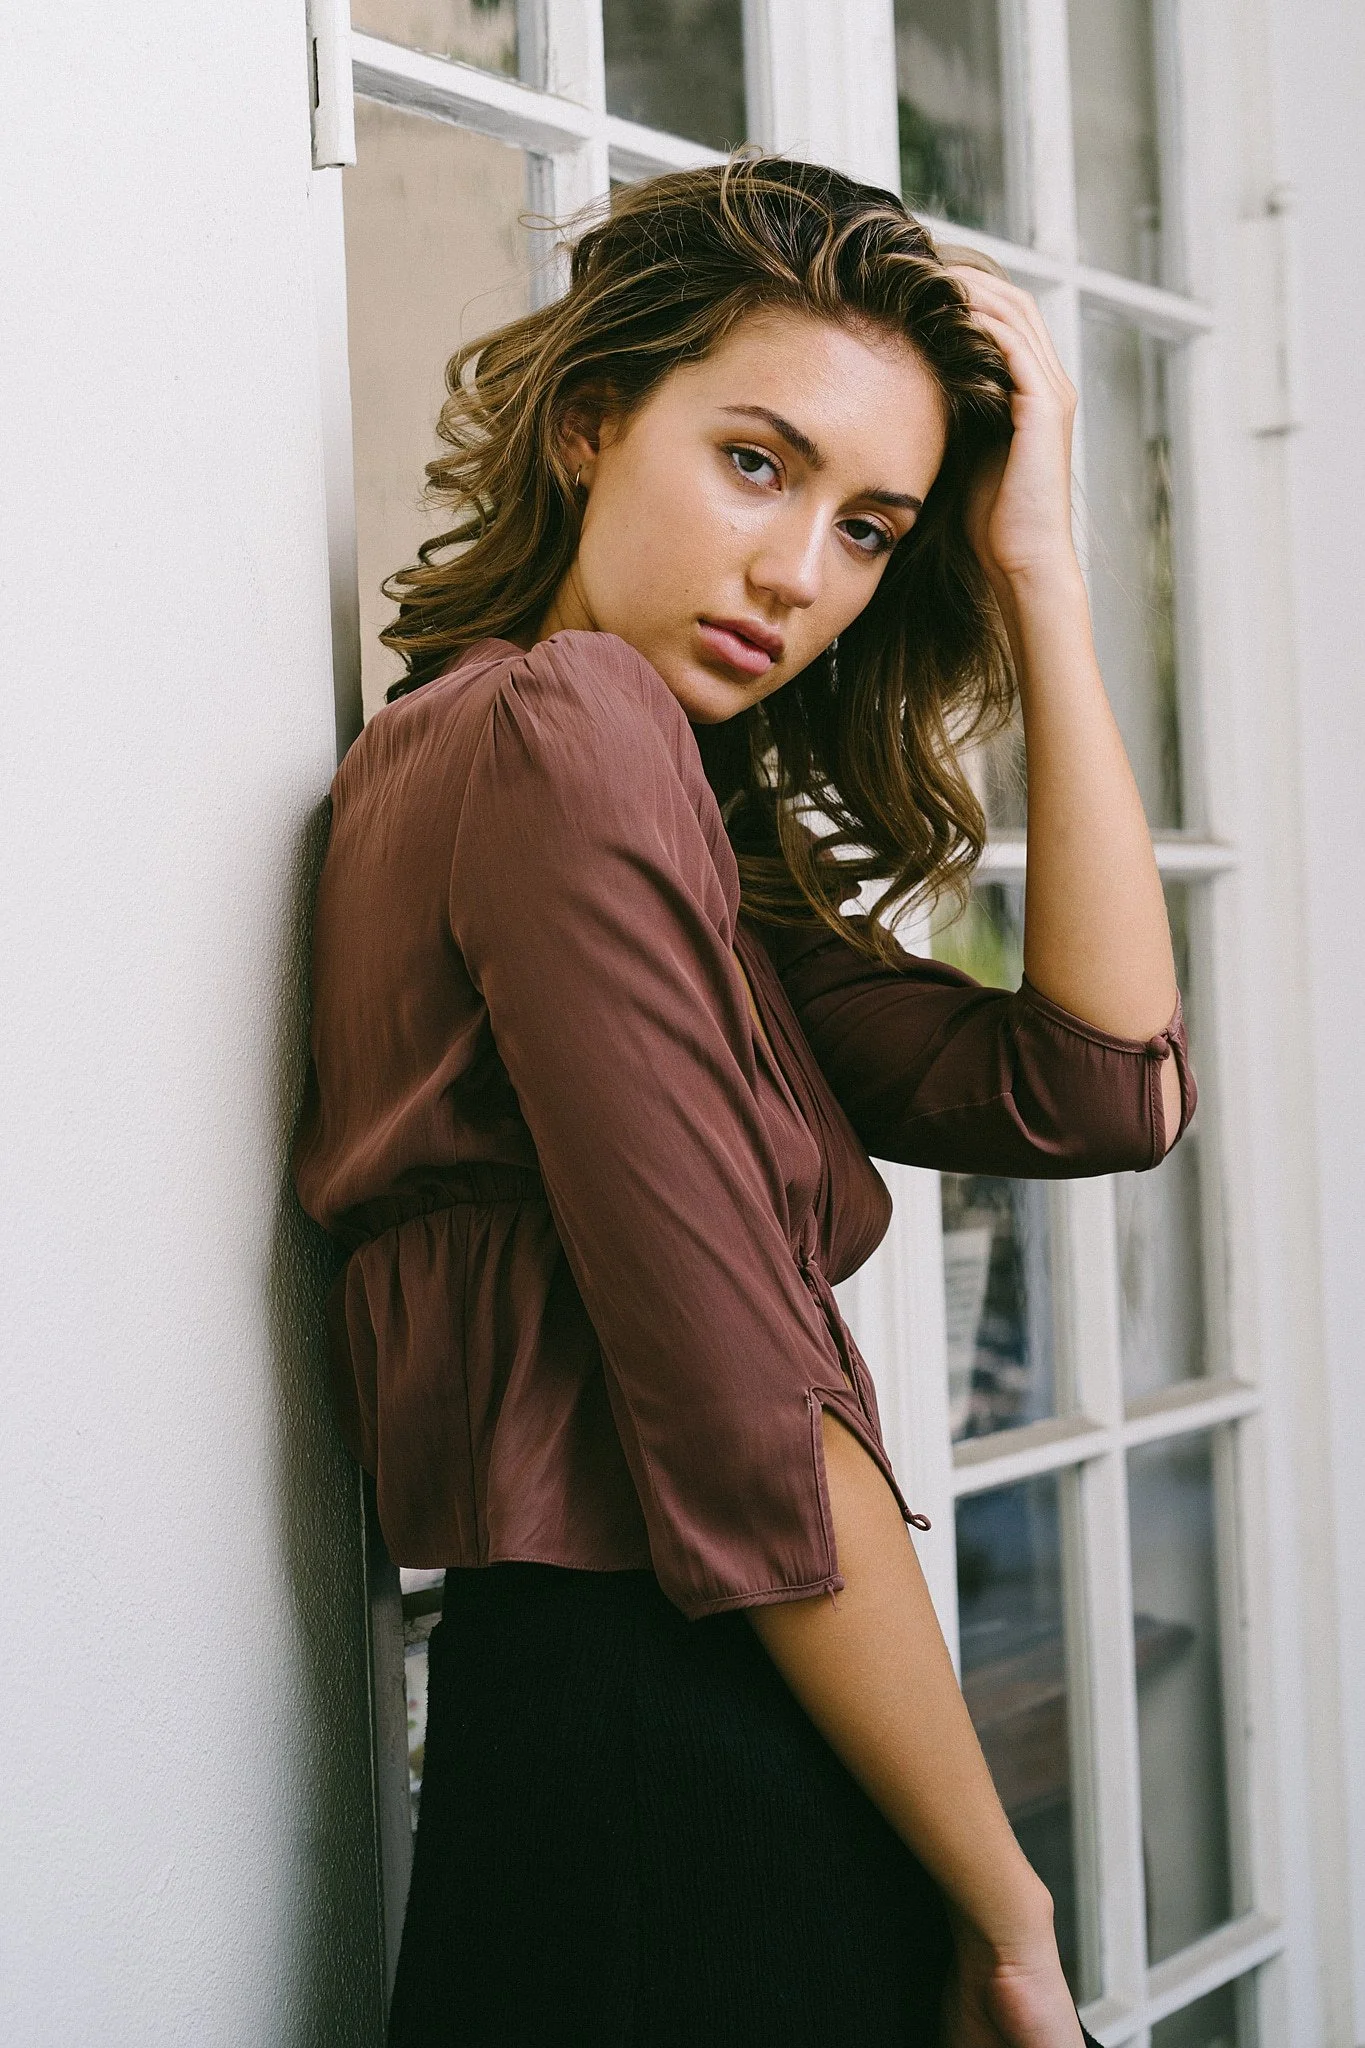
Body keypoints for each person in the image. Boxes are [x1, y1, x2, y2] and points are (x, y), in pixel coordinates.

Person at [291, 154, 1194, 2047]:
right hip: (678, 1760)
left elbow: (1101, 1089)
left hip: (625, 1738)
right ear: (591, 422)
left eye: (871, 530)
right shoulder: (564, 731)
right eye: (757, 464)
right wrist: (1009, 1908)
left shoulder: (608, 798)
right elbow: (751, 1421)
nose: (799, 578)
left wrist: (1041, 572)